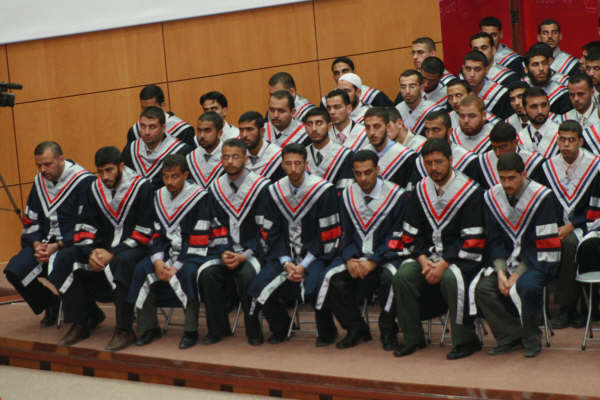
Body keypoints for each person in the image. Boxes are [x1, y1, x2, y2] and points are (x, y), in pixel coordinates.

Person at [51, 146, 154, 350]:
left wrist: (112, 253)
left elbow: (145, 230)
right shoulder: (94, 189)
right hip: (102, 247)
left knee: (121, 261)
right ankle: (82, 321)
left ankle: (124, 329)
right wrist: (92, 252)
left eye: (109, 170)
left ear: (121, 166)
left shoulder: (142, 187)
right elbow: (85, 226)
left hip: (135, 246)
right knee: (65, 257)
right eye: (100, 171)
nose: (105, 177)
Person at [393, 139, 485, 359]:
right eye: (428, 163)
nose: (433, 168)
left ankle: (466, 339)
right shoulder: (420, 190)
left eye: (439, 162)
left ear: (450, 160)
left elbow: (472, 238)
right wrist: (423, 260)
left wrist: (443, 264)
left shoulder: (470, 191)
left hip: (462, 258)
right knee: (403, 275)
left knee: (451, 278)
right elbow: (411, 234)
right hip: (428, 257)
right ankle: (412, 337)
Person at [249, 144, 342, 345]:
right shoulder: (274, 191)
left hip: (315, 255)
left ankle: (327, 332)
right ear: (282, 165)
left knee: (318, 285)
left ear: (306, 164)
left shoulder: (322, 190)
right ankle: (281, 327)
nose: (293, 169)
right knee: (259, 284)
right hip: (284, 254)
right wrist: (286, 262)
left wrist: (303, 265)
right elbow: (271, 231)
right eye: (288, 163)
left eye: (298, 163)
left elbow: (327, 233)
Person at [320, 150, 410, 350]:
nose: (363, 178)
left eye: (368, 172)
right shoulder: (346, 194)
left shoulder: (397, 195)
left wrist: (374, 260)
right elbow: (343, 232)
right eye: (358, 173)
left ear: (378, 170)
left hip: (387, 256)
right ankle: (356, 328)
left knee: (391, 279)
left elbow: (398, 235)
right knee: (333, 278)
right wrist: (349, 259)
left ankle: (388, 329)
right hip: (356, 255)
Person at [475, 152, 562, 358]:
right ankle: (510, 336)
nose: (506, 184)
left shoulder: (542, 197)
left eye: (512, 178)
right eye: (502, 178)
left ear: (523, 174)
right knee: (483, 289)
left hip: (539, 260)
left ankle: (532, 338)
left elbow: (543, 244)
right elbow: (494, 239)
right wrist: (500, 272)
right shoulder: (492, 197)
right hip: (507, 261)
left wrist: (516, 274)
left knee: (526, 286)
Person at [4, 142, 94, 327]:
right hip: (44, 243)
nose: (42, 170)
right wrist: (37, 245)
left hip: (72, 244)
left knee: (62, 262)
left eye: (47, 164)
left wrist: (59, 245)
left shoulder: (83, 181)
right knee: (14, 270)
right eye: (39, 165)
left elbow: (88, 224)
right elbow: (32, 220)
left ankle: (90, 312)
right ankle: (51, 303)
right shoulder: (40, 182)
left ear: (61, 159)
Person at [130, 154, 210, 349]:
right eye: (166, 176)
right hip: (165, 251)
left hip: (192, 252)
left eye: (175, 176)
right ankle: (149, 328)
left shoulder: (199, 197)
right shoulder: (158, 196)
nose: (169, 182)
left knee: (189, 273)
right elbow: (156, 233)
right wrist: (158, 260)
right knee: (142, 268)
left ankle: (190, 330)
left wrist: (177, 265)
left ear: (185, 175)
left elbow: (199, 235)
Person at [197, 139, 270, 345]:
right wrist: (224, 251)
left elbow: (265, 229)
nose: (230, 161)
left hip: (254, 252)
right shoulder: (215, 188)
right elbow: (214, 226)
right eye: (225, 157)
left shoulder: (261, 187)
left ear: (246, 159)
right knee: (208, 275)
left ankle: (253, 330)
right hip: (225, 251)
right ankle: (218, 329)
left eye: (235, 157)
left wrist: (245, 255)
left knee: (247, 275)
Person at [540, 121, 599, 329]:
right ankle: (547, 309)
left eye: (571, 140)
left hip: (588, 225)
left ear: (580, 141)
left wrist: (572, 225)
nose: (566, 144)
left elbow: (595, 207)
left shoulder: (595, 167)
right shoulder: (548, 167)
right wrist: (554, 228)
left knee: (571, 244)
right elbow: (544, 202)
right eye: (562, 140)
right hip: (556, 225)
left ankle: (569, 308)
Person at [123, 106, 192, 190]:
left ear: (163, 128)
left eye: (152, 127)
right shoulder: (131, 150)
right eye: (143, 126)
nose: (146, 132)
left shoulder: (181, 151)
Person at [411, 111, 480, 185]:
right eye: (427, 130)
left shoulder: (468, 160)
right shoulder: (420, 161)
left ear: (449, 131)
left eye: (436, 130)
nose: (430, 135)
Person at [478, 122, 544, 189]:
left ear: (514, 143)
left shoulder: (534, 163)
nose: (498, 153)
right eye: (494, 148)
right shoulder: (483, 162)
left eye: (502, 147)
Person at [363, 107, 417, 187]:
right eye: (368, 127)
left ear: (387, 127)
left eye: (377, 126)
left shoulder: (407, 157)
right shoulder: (362, 154)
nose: (372, 132)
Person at [304, 107, 354, 192]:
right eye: (309, 124)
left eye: (319, 123)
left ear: (329, 126)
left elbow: (346, 191)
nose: (314, 129)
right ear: (305, 128)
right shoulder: (301, 155)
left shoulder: (346, 156)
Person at [127, 85, 195, 147]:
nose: (147, 113)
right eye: (144, 109)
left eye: (152, 109)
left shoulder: (183, 130)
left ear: (163, 105)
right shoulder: (134, 132)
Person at [322, 57, 393, 107]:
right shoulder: (326, 101)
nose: (341, 75)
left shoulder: (374, 96)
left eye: (345, 71)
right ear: (333, 77)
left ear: (354, 72)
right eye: (337, 73)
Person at [523, 44, 572, 115]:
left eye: (544, 63)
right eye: (535, 64)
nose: (541, 68)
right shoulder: (521, 90)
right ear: (526, 69)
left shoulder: (562, 94)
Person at [462, 51, 512, 119]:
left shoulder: (501, 95)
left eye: (477, 69)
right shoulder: (457, 92)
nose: (472, 74)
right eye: (468, 69)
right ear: (463, 69)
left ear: (486, 70)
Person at [395, 70, 444, 136]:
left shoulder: (435, 111)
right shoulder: (396, 111)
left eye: (412, 86)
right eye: (403, 87)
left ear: (421, 87)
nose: (407, 91)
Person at [237, 111, 284, 181]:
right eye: (241, 130)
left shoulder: (278, 158)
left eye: (249, 130)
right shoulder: (235, 155)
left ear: (262, 131)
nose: (244, 135)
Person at [186, 112, 226, 189]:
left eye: (207, 131)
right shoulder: (190, 158)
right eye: (199, 130)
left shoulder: (229, 158)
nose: (202, 135)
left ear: (220, 133)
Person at [518, 87, 561, 158]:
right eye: (534, 107)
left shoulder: (560, 134)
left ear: (549, 106)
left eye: (543, 105)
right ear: (524, 110)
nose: (540, 111)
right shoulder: (520, 138)